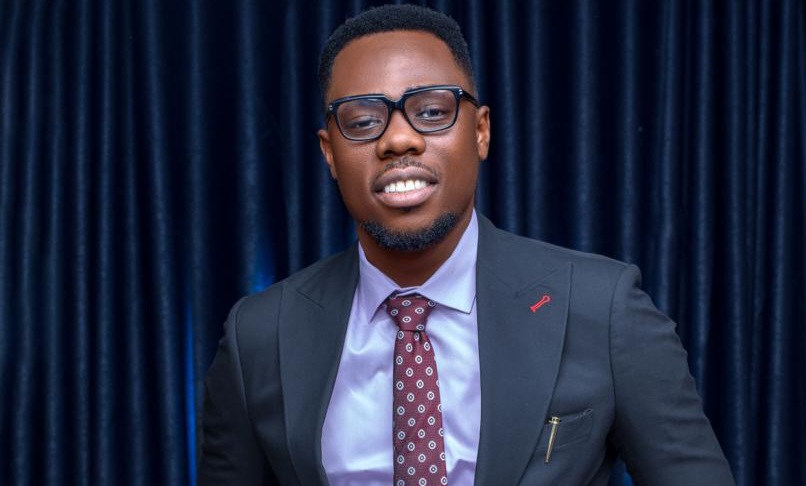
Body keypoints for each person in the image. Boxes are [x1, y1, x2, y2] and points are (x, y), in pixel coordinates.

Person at [197, 4, 736, 486]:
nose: (399, 139)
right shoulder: (259, 337)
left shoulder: (602, 308)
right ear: (330, 153)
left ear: (480, 132)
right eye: (363, 121)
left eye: (432, 112)